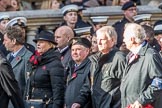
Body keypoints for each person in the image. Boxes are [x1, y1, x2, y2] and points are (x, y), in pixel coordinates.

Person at [120, 23, 162, 108]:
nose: (123, 40)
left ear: (132, 39)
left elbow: (159, 81)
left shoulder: (150, 55)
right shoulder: (130, 55)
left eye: (125, 38)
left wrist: (141, 101)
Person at [25, 30, 65, 108]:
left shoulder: (55, 63)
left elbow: (58, 90)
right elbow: (29, 85)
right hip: (33, 104)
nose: (38, 44)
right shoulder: (36, 61)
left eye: (42, 42)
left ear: (50, 45)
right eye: (37, 42)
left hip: (47, 104)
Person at [90, 26, 126, 108]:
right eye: (97, 40)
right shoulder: (95, 59)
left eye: (102, 40)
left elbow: (126, 86)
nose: (99, 43)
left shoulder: (119, 58)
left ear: (112, 40)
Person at [3, 26, 33, 95]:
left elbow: (28, 85)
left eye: (5, 40)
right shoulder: (8, 56)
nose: (3, 43)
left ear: (13, 41)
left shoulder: (28, 57)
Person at [65, 37, 92, 108]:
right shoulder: (70, 66)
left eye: (78, 49)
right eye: (72, 50)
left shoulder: (90, 66)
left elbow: (87, 89)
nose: (74, 52)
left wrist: (79, 102)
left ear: (87, 51)